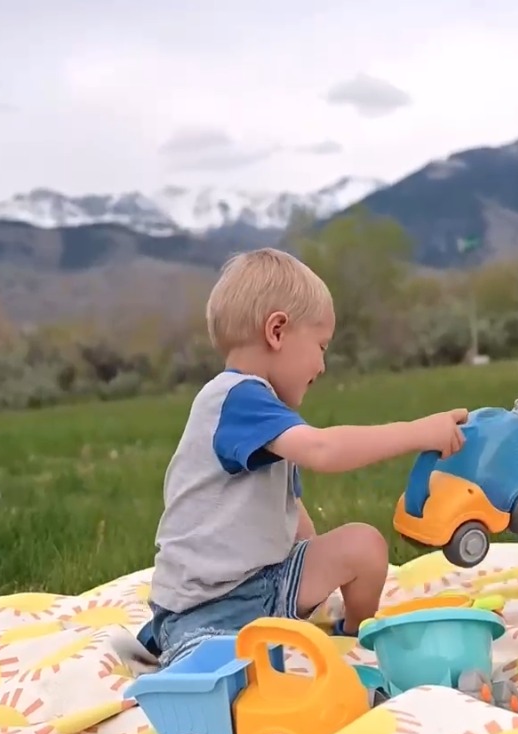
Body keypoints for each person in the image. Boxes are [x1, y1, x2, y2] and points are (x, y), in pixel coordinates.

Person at [144, 248, 467, 667]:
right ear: (277, 331)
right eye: (320, 345)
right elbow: (323, 450)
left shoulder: (267, 410)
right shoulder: (234, 398)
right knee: (232, 676)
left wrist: (318, 572)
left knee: (364, 546)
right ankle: (185, 651)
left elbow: (292, 511)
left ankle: (354, 638)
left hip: (266, 586)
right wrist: (418, 432)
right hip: (205, 608)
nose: (323, 365)